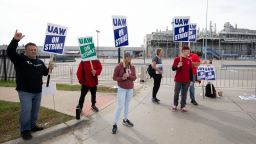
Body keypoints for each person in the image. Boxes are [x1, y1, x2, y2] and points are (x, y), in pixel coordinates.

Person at [7, 30, 53, 140]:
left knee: (35, 111)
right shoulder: (20, 59)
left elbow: (45, 73)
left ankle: (33, 126)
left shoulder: (40, 62)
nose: (33, 51)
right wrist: (15, 40)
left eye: (34, 50)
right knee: (26, 110)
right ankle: (25, 130)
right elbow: (10, 52)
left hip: (38, 91)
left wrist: (50, 68)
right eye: (30, 50)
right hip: (25, 91)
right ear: (26, 51)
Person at [112, 52, 136, 134]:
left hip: (130, 89)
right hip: (122, 89)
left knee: (127, 105)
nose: (130, 58)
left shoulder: (132, 67)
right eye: (129, 57)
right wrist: (122, 78)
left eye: (131, 57)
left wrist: (128, 76)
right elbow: (114, 77)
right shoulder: (119, 66)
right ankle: (114, 124)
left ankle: (125, 119)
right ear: (125, 58)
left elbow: (134, 78)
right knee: (120, 106)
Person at [172, 46, 193, 112]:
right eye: (188, 51)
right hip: (178, 80)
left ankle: (183, 106)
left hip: (186, 80)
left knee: (184, 94)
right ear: (183, 51)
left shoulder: (189, 60)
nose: (189, 52)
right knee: (176, 93)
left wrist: (191, 80)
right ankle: (175, 105)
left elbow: (190, 71)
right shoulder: (177, 59)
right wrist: (178, 66)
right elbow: (173, 68)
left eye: (189, 51)